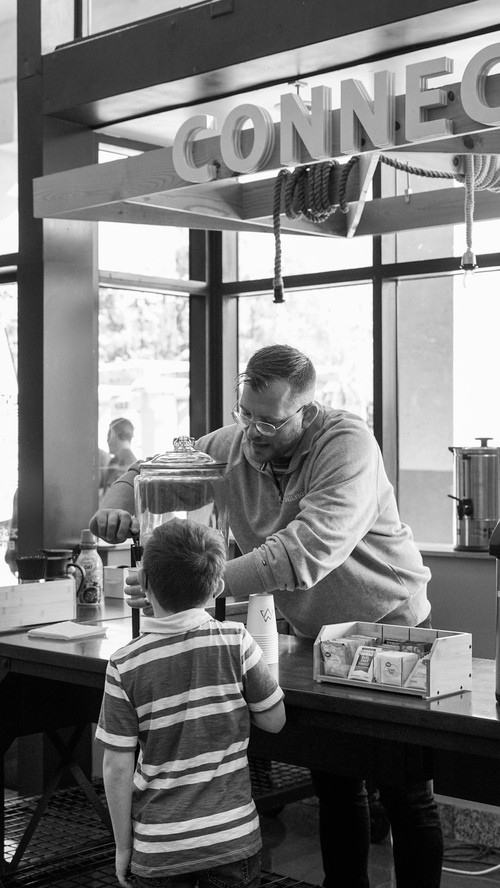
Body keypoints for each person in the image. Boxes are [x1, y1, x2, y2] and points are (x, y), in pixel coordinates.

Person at [90, 344, 443, 888]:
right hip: (317, 637)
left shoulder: (347, 445)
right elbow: (150, 469)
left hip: (391, 624)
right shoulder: (233, 444)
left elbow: (302, 552)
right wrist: (116, 500)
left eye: (269, 422)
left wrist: (192, 584)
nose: (253, 431)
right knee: (336, 784)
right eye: (245, 413)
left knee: (406, 791)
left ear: (307, 409)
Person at [95, 517, 285, 888]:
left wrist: (123, 847)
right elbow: (274, 720)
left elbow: (116, 768)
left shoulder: (124, 664)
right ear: (218, 587)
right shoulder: (237, 641)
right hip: (231, 839)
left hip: (159, 847)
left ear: (144, 582)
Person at [100, 417, 137, 495]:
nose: (107, 440)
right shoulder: (134, 462)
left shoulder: (117, 461)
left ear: (113, 434)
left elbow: (109, 495)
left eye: (109, 434)